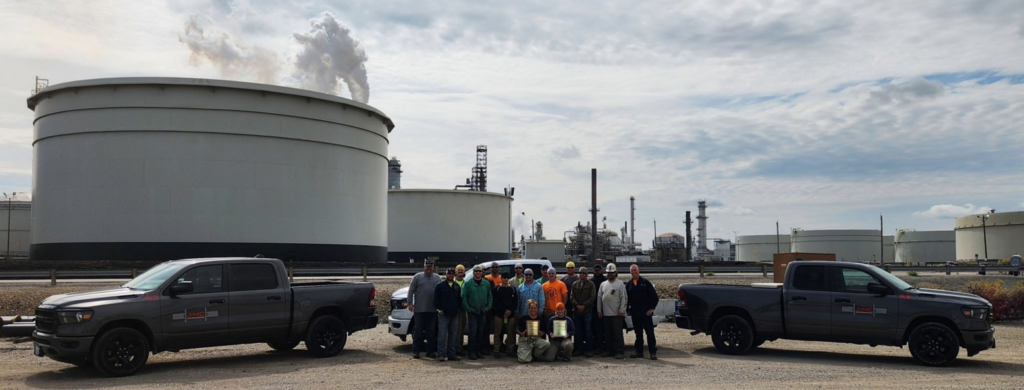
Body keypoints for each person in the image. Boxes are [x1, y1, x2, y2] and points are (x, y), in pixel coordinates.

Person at [408, 259, 443, 359]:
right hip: (419, 309)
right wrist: (410, 303)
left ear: (433, 267)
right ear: (424, 267)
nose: (429, 268)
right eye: (427, 266)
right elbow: (411, 291)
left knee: (431, 332)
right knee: (418, 331)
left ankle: (430, 351)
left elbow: (441, 293)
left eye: (430, 267)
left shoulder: (437, 278)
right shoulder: (417, 277)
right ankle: (416, 351)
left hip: (432, 310)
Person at [626, 264, 659, 360]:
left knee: (649, 333)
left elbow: (654, 297)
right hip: (635, 313)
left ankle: (652, 352)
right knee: (638, 333)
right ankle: (639, 351)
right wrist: (628, 310)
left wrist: (652, 309)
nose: (633, 272)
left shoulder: (645, 282)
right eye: (631, 271)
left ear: (639, 271)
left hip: (646, 313)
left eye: (635, 270)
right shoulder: (629, 284)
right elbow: (627, 299)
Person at [461, 265, 493, 360]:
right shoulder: (467, 284)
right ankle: (471, 352)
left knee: (480, 332)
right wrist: (468, 308)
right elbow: (463, 297)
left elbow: (490, 296)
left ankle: (478, 351)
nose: (478, 273)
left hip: (483, 312)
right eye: (476, 271)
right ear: (473, 273)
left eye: (480, 271)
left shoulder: (486, 283)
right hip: (472, 312)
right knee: (473, 332)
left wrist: (488, 307)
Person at [597, 263, 627, 359]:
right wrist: (599, 310)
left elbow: (624, 298)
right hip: (606, 314)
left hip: (617, 314)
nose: (610, 274)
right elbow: (599, 298)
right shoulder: (603, 284)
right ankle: (609, 350)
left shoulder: (620, 284)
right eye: (608, 272)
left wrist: (622, 310)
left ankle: (619, 351)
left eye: (612, 272)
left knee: (617, 334)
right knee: (607, 334)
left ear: (615, 273)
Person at [433, 268, 462, 362]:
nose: (451, 275)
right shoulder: (439, 286)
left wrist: (458, 309)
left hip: (454, 315)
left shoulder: (456, 286)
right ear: (446, 275)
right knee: (442, 335)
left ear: (454, 275)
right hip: (443, 315)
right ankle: (441, 354)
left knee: (453, 335)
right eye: (449, 274)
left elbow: (459, 300)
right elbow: (435, 301)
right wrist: (439, 310)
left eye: (452, 274)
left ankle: (451, 354)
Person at [492, 272, 518, 358]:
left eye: (507, 278)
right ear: (501, 278)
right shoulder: (497, 289)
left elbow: (515, 302)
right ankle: (496, 350)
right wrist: (504, 311)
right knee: (497, 332)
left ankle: (510, 349)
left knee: (510, 332)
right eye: (504, 278)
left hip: (510, 315)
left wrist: (510, 311)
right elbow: (495, 302)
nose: (506, 279)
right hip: (499, 314)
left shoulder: (513, 289)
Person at [571, 268, 596, 357]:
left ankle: (589, 350)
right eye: (580, 273)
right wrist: (577, 305)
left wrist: (584, 305)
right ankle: (579, 349)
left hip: (587, 311)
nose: (581, 274)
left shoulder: (591, 284)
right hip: (577, 311)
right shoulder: (575, 284)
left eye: (584, 273)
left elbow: (592, 297)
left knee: (588, 331)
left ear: (587, 275)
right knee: (578, 331)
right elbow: (572, 297)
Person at [590, 264, 608, 355]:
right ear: (593, 271)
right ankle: (597, 346)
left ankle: (605, 347)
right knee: (596, 329)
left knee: (605, 329)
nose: (597, 272)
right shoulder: (591, 281)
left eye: (598, 270)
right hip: (594, 309)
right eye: (595, 270)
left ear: (601, 271)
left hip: (605, 308)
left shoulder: (606, 281)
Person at [454, 264, 468, 356]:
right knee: (452, 330)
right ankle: (451, 349)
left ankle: (459, 348)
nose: (460, 271)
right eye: (458, 270)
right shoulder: (451, 283)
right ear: (456, 272)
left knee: (461, 330)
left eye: (462, 270)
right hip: (453, 310)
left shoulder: (466, 284)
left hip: (463, 310)